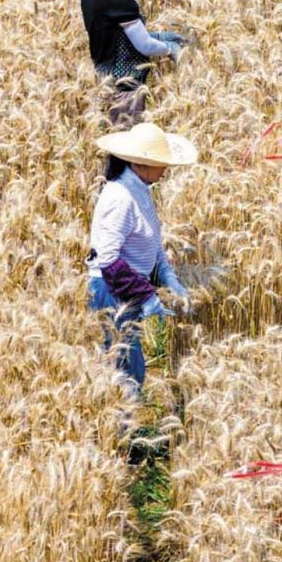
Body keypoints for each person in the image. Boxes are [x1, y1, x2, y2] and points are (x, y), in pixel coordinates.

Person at [86, 121, 198, 400]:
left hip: (127, 291)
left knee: (127, 365)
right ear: (141, 163)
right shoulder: (121, 197)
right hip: (112, 293)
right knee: (124, 369)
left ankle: (121, 433)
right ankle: (117, 436)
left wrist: (170, 280)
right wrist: (147, 297)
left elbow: (154, 245)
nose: (166, 169)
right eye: (161, 163)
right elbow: (108, 259)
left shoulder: (141, 191)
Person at [79, 0, 185, 128]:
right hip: (126, 86)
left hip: (104, 78)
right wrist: (169, 48)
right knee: (126, 143)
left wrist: (161, 36)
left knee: (113, 140)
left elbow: (116, 34)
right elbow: (143, 45)